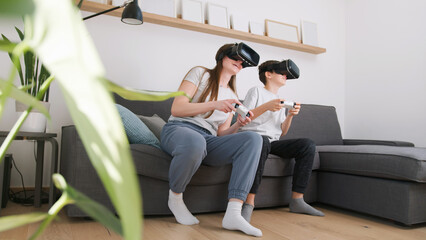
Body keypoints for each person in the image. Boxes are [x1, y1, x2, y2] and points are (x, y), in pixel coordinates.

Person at [160, 43, 263, 237]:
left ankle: (233, 212)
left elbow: (221, 134)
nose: (240, 63)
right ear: (222, 56)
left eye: (243, 62)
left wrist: (238, 124)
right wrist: (215, 104)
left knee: (253, 139)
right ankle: (175, 198)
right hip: (179, 129)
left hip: (208, 139)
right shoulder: (200, 73)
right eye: (236, 57)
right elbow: (177, 108)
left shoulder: (233, 96)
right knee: (195, 142)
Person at [239, 60, 325, 223]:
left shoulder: (280, 100)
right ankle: (249, 203)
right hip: (253, 139)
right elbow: (243, 118)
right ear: (268, 74)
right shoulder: (256, 91)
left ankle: (297, 200)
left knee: (307, 145)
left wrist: (291, 115)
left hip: (272, 141)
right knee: (262, 141)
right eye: (281, 72)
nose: (285, 75)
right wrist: (266, 106)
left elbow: (282, 132)